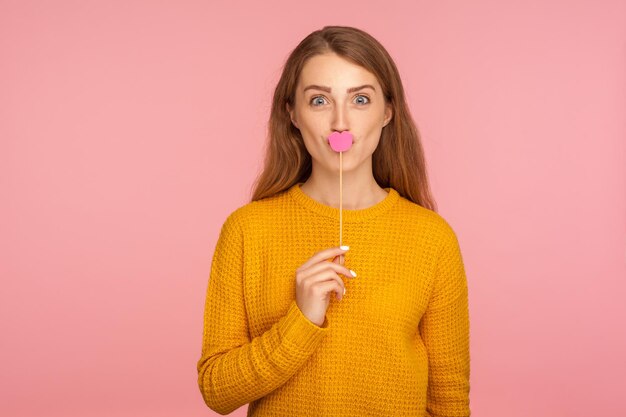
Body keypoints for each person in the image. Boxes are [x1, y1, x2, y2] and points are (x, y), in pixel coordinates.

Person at [197, 25, 471, 417]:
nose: (341, 123)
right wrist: (302, 319)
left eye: (360, 99)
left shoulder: (432, 238)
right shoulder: (247, 230)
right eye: (320, 101)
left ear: (387, 112)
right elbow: (217, 391)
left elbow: (449, 403)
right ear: (292, 113)